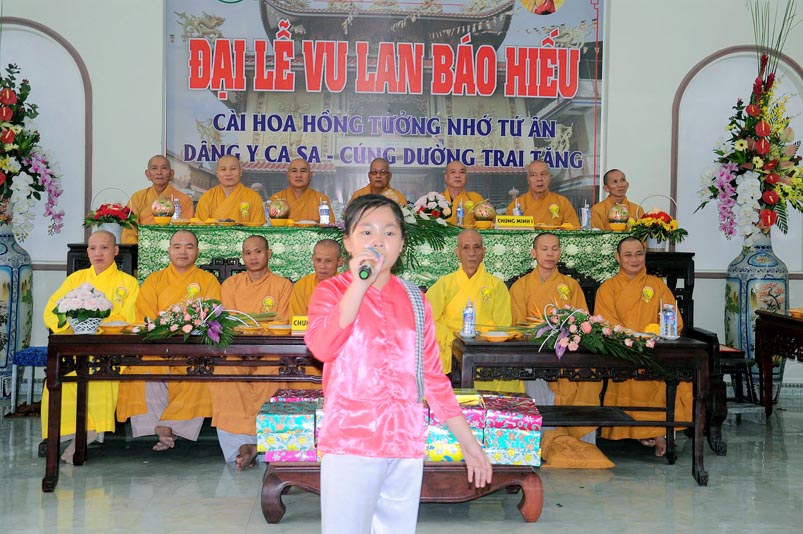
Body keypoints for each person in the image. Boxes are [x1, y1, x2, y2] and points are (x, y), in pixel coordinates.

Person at [305, 195, 491, 533]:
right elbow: (321, 347)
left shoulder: (416, 299)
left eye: (389, 233)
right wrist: (359, 286)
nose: (378, 241)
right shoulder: (331, 292)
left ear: (402, 244)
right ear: (348, 242)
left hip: (404, 442)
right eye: (366, 232)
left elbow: (432, 378)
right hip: (351, 442)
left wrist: (469, 443)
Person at [116, 230, 220, 451]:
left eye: (189, 247)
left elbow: (212, 318)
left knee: (200, 373)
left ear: (198, 251)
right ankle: (158, 429)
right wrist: (165, 339)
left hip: (194, 350)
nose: (183, 251)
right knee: (142, 369)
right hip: (158, 346)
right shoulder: (154, 280)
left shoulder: (208, 280)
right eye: (177, 247)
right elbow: (145, 318)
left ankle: (167, 427)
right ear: (169, 251)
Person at [42, 230, 140, 463]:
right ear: (87, 252)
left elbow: (131, 319)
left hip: (110, 350)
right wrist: (76, 323)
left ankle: (91, 430)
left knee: (100, 374)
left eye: (104, 248)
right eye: (93, 248)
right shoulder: (76, 280)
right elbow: (52, 312)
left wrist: (100, 322)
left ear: (115, 251)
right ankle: (73, 431)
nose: (98, 253)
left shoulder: (128, 283)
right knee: (60, 378)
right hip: (77, 347)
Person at [594, 236, 693, 457]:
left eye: (639, 254)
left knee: (670, 373)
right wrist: (632, 339)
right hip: (623, 351)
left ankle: (659, 431)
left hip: (655, 349)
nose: (634, 259)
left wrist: (654, 336)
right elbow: (605, 324)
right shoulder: (607, 288)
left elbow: (673, 320)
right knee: (633, 376)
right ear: (617, 257)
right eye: (628, 255)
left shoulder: (657, 285)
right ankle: (647, 431)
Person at [209, 235, 293, 470]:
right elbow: (229, 322)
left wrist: (258, 339)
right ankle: (242, 445)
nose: (253, 257)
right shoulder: (230, 285)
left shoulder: (282, 286)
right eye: (248, 253)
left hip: (269, 351)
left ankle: (263, 446)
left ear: (269, 254)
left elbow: (282, 322)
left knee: (273, 374)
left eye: (258, 251)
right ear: (242, 257)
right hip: (237, 350)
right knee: (224, 374)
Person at [509, 232, 600, 442]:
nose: (550, 254)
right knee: (531, 380)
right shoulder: (521, 286)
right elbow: (518, 327)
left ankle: (582, 443)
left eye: (554, 249)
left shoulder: (571, 285)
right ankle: (545, 441)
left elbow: (583, 323)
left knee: (589, 381)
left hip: (568, 355)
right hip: (535, 355)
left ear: (560, 253)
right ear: (533, 253)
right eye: (544, 249)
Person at [426, 229, 521, 393]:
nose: (472, 253)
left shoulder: (496, 286)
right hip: (450, 348)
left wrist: (480, 340)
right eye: (466, 248)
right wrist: (453, 339)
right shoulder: (444, 284)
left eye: (477, 247)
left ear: (484, 252)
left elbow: (502, 326)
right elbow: (426, 318)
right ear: (457, 253)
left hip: (484, 350)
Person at [121, 155, 194, 244]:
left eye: (164, 168)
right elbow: (129, 230)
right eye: (154, 168)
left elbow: (186, 232)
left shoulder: (184, 199)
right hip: (142, 247)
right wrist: (138, 248)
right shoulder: (137, 198)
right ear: (147, 174)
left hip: (173, 248)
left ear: (171, 174)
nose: (159, 172)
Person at [195, 155, 267, 224]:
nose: (228, 173)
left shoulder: (253, 197)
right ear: (217, 173)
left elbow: (258, 228)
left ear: (240, 172)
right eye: (223, 169)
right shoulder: (207, 197)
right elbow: (200, 227)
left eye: (233, 169)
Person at [506, 160, 580, 226]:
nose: (539, 179)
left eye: (543, 174)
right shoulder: (515, 206)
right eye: (534, 175)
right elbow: (508, 233)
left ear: (549, 177)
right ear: (528, 179)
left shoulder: (562, 203)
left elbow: (574, 231)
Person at [269, 158, 336, 223]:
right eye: (294, 171)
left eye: (303, 171)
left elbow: (330, 228)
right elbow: (268, 227)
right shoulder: (276, 199)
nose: (299, 175)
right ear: (288, 175)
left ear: (310, 175)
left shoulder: (321, 200)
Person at [289, 238, 343, 317]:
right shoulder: (302, 286)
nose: (322, 266)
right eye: (318, 260)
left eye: (328, 261)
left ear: (339, 261)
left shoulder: (349, 287)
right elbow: (297, 321)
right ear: (313, 259)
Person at [441, 160, 483, 226]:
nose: (457, 176)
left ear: (466, 177)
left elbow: (487, 224)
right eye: (453, 172)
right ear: (446, 177)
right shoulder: (436, 200)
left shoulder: (475, 198)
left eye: (462, 172)